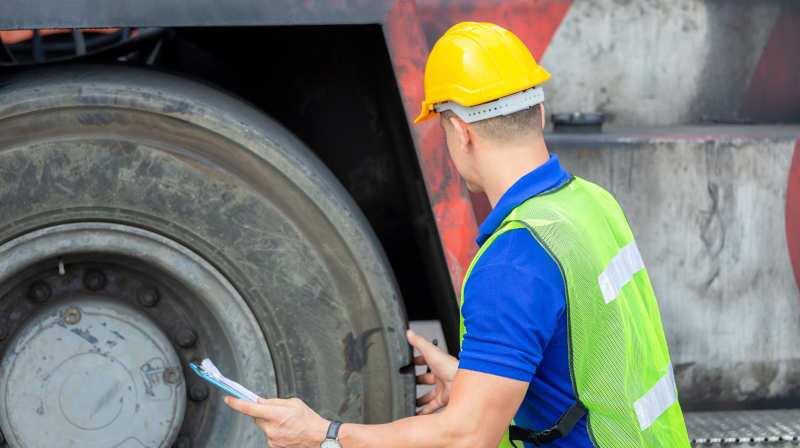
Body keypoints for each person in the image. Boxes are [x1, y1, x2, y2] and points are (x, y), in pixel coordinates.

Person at [225, 21, 690, 448]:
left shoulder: (514, 258)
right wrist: (480, 378)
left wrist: (324, 434)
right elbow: (595, 359)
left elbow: (465, 437)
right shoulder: (590, 204)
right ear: (541, 113)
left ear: (460, 132)